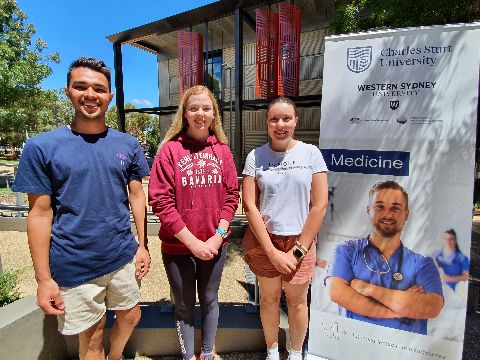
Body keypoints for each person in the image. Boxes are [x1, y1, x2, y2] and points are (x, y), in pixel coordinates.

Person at [12, 57, 151, 360]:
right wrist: (44, 279)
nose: (90, 94)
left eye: (99, 89)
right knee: (92, 334)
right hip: (73, 263)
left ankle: (115, 357)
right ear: (67, 91)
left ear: (110, 96)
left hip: (122, 255)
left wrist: (143, 245)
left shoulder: (127, 144)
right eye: (81, 86)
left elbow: (137, 196)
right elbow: (39, 214)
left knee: (130, 317)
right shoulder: (42, 147)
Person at [148, 85, 239, 360]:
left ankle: (207, 354)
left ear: (214, 114)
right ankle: (189, 356)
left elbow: (233, 196)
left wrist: (216, 237)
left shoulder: (222, 151)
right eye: (194, 108)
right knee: (185, 305)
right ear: (185, 114)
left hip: (214, 246)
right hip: (178, 248)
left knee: (210, 300)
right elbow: (161, 202)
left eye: (206, 108)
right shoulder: (170, 151)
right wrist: (192, 243)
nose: (200, 113)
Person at [242, 97, 328, 360]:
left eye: (286, 118)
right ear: (267, 123)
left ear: (296, 121)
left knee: (297, 302)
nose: (280, 124)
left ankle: (294, 352)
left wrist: (297, 252)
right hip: (264, 242)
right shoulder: (255, 157)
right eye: (274, 119)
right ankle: (271, 350)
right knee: (268, 300)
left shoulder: (311, 154)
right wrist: (272, 252)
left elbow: (319, 205)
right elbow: (249, 205)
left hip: (299, 242)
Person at [326, 180, 444, 335]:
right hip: (353, 345)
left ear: (406, 214)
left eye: (395, 208)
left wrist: (368, 289)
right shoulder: (346, 251)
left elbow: (431, 306)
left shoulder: (422, 264)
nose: (387, 214)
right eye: (380, 206)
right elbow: (336, 292)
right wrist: (399, 309)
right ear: (369, 210)